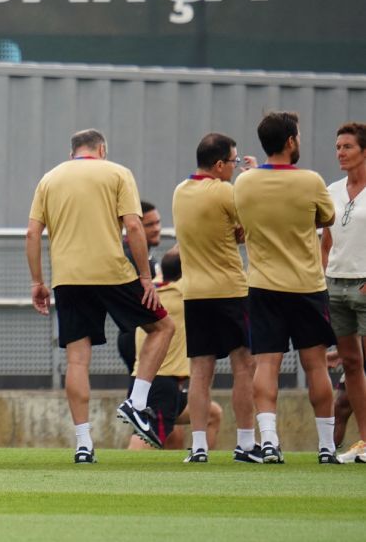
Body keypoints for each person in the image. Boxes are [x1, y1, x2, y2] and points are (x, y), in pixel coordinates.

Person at [27, 128, 176, 463]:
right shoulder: (117, 173)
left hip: (68, 278)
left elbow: (33, 232)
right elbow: (135, 227)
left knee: (77, 360)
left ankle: (83, 443)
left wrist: (38, 281)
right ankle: (137, 402)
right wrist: (145, 277)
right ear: (101, 149)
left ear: (72, 153)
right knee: (163, 328)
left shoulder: (50, 179)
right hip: (112, 272)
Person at [234, 111, 339, 464]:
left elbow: (240, 221)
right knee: (316, 365)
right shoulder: (311, 181)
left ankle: (270, 441)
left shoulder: (244, 183)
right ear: (291, 141)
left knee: (266, 364)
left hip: (263, 286)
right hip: (307, 284)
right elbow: (327, 218)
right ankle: (326, 446)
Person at [171, 132, 261, 463]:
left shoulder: (180, 192)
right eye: (234, 162)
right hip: (230, 289)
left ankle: (198, 447)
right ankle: (246, 444)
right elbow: (251, 220)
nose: (235, 167)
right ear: (220, 164)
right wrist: (251, 175)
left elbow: (221, 230)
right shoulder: (226, 191)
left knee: (199, 371)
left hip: (194, 292)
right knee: (243, 365)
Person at [126, 249, 223, 457]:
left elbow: (175, 261)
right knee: (146, 439)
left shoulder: (154, 289)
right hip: (162, 384)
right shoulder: (182, 294)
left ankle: (201, 461)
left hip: (147, 381)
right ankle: (119, 476)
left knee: (212, 413)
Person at [320, 122, 366, 463]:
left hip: (364, 284)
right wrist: (323, 279)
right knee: (351, 363)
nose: (340, 152)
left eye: (347, 146)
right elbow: (327, 242)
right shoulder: (332, 190)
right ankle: (365, 441)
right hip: (336, 286)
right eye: (338, 146)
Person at [117, 201, 163, 373]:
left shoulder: (146, 255)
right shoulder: (130, 257)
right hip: (138, 335)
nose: (157, 229)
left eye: (158, 222)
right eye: (149, 225)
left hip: (146, 333)